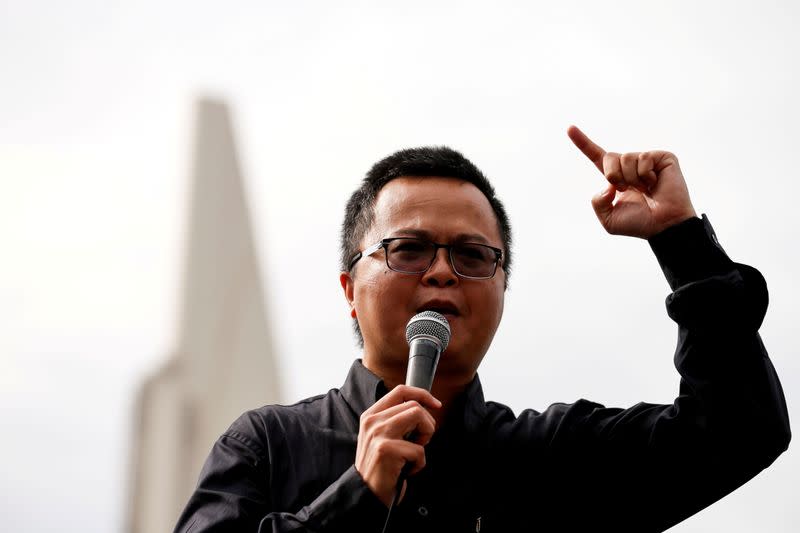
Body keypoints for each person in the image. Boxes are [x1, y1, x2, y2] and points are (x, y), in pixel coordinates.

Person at [174, 126, 790, 532]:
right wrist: (356, 496)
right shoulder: (266, 447)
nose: (442, 272)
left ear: (501, 292)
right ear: (349, 292)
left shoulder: (551, 458)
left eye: (472, 257)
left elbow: (739, 432)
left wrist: (679, 238)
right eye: (409, 249)